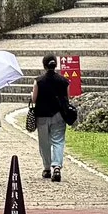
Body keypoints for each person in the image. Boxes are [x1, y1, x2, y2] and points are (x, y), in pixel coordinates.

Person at [30, 54, 72, 182]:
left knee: (44, 143)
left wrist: (32, 94)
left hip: (42, 115)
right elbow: (67, 98)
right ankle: (57, 166)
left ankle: (47, 168)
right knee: (58, 141)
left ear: (44, 65)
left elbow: (34, 99)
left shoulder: (38, 81)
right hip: (58, 115)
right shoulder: (64, 81)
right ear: (55, 65)